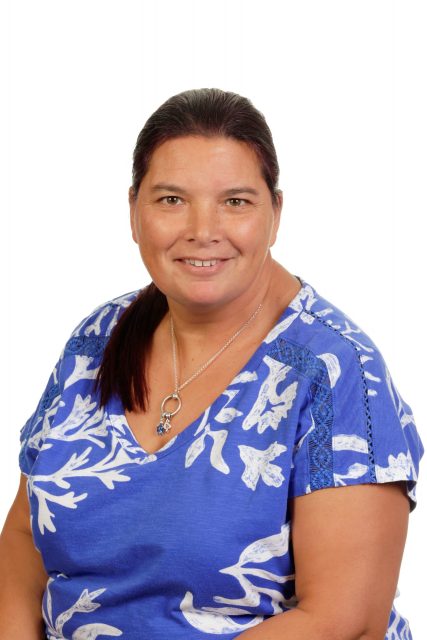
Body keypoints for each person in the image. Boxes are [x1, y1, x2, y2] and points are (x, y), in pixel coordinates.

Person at [0, 88, 423, 640]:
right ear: (134, 211)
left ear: (275, 214)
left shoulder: (335, 372)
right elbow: (23, 543)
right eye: (172, 199)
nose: (203, 230)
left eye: (236, 202)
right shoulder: (96, 341)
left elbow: (343, 622)